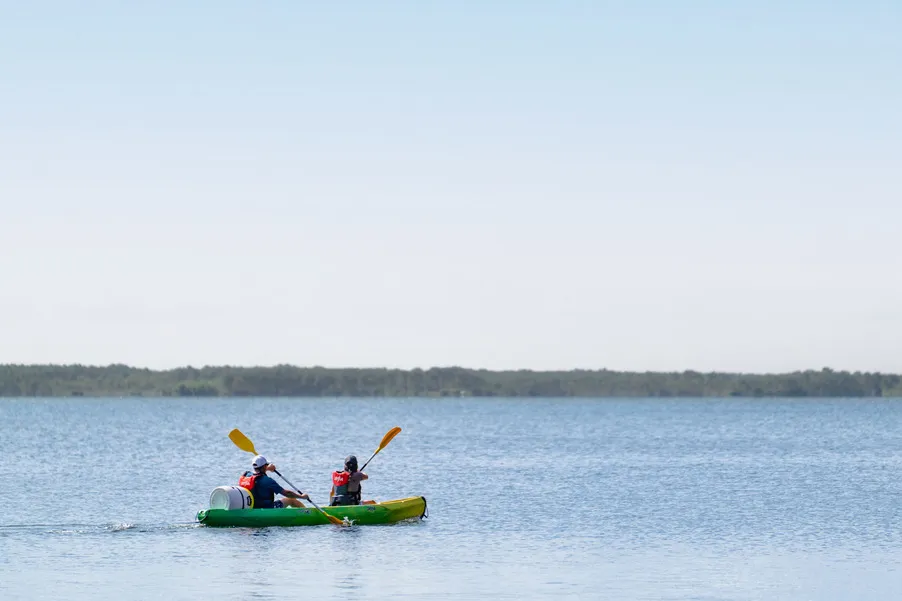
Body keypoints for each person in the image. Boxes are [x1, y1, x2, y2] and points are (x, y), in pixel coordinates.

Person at [239, 455, 309, 509]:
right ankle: (307, 512)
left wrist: (267, 468)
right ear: (264, 466)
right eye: (266, 465)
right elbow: (287, 493)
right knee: (291, 499)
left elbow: (257, 473)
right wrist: (302, 496)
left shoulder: (246, 475)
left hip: (251, 507)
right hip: (267, 509)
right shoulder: (267, 480)